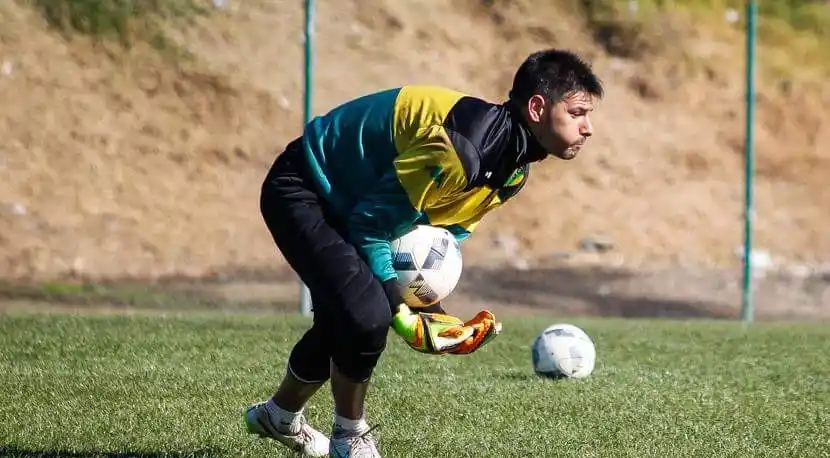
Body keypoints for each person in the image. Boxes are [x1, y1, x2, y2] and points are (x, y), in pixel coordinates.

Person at [244, 48, 603, 457]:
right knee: (367, 314)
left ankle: (279, 415)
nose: (588, 127)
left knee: (346, 316)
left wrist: (432, 308)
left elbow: (437, 236)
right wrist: (401, 310)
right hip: (306, 186)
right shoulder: (462, 149)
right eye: (577, 113)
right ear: (538, 107)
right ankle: (350, 435)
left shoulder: (513, 170)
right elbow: (371, 225)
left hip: (356, 202)